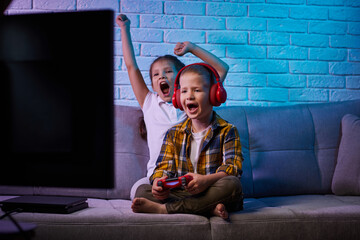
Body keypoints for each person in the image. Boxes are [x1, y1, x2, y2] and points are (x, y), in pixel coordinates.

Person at [116, 14, 230, 200]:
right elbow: (131, 67)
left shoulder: (193, 101)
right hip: (160, 178)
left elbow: (221, 70)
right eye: (156, 75)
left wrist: (192, 48)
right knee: (138, 190)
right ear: (153, 85)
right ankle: (202, 206)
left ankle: (184, 204)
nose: (162, 77)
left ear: (181, 78)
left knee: (224, 185)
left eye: (168, 72)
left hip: (193, 177)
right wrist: (124, 29)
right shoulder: (149, 102)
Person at [131, 63, 243, 220]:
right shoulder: (173, 133)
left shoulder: (227, 130)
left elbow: (233, 168)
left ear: (214, 95)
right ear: (177, 98)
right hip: (185, 192)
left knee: (232, 184)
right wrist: (158, 182)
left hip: (213, 189)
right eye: (184, 91)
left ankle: (165, 209)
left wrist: (205, 181)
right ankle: (207, 209)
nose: (189, 96)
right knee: (142, 190)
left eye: (197, 90)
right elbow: (163, 167)